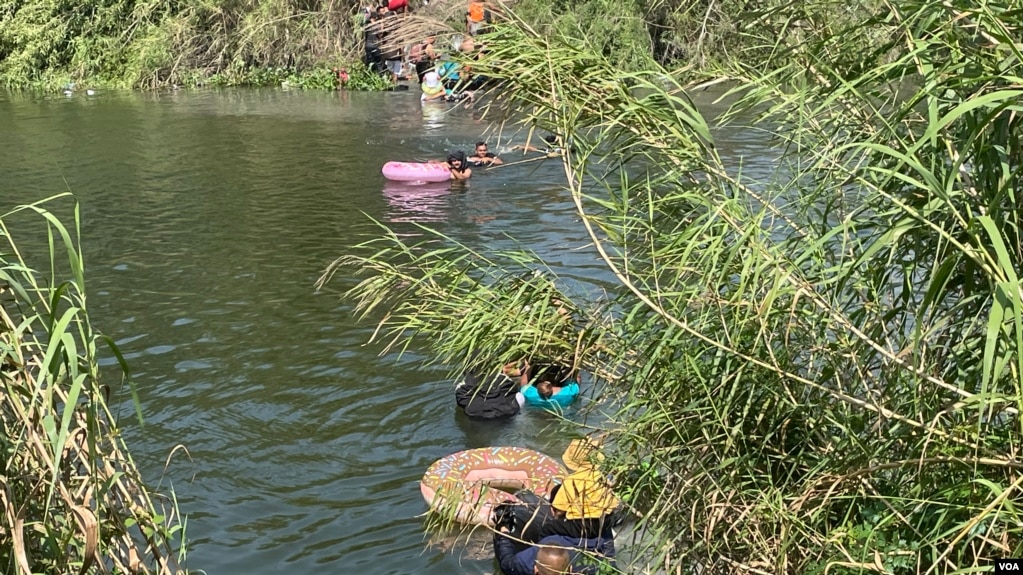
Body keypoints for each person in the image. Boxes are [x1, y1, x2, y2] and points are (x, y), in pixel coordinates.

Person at [454, 360, 522, 418]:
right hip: (505, 411)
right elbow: (512, 388)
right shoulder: (502, 379)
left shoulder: (463, 387)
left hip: (477, 414)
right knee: (518, 395)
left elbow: (461, 401)